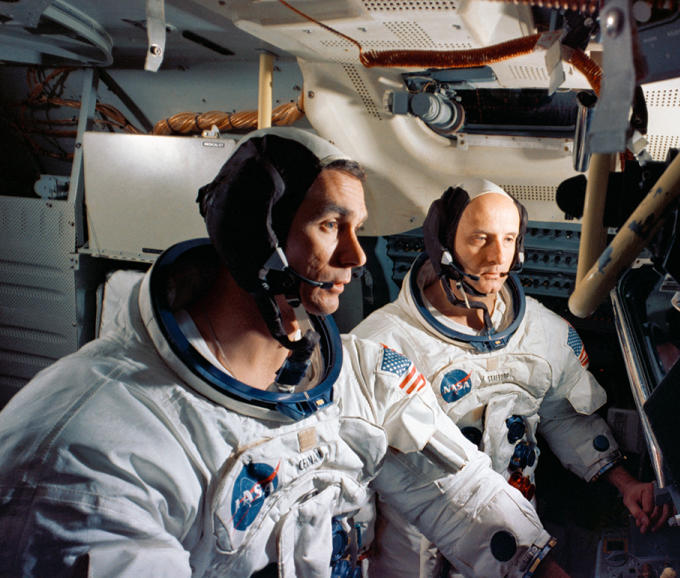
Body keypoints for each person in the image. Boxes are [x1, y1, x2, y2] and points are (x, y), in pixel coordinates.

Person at [0, 128, 564, 577]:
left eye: (357, 228)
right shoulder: (92, 442)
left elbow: (461, 493)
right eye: (329, 225)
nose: (356, 255)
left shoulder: (360, 374)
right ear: (257, 236)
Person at [352, 178, 671, 577]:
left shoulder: (543, 332)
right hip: (414, 560)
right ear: (444, 244)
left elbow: (562, 416)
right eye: (480, 239)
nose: (496, 257)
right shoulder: (381, 348)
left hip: (520, 551)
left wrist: (626, 484)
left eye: (508, 239)